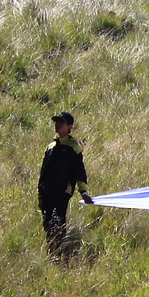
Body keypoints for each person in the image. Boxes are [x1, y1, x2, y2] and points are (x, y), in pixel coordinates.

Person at [37, 111, 93, 261]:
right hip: (46, 192)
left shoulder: (73, 146)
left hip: (62, 192)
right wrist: (40, 191)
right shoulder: (50, 147)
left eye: (61, 123)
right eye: (56, 123)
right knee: (47, 223)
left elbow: (79, 171)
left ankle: (59, 254)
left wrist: (84, 192)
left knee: (58, 222)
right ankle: (52, 254)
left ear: (69, 127)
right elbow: (43, 171)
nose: (57, 125)